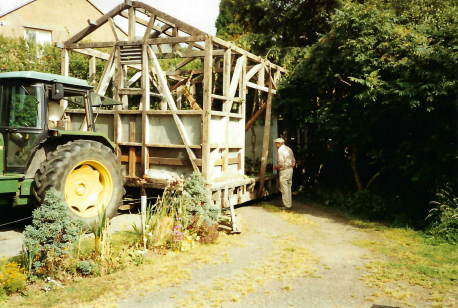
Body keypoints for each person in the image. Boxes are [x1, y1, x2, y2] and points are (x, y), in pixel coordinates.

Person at [273, 138, 296, 209]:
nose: (275, 145)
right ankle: (289, 204)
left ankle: (286, 205)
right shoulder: (288, 149)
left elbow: (281, 163)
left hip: (284, 170)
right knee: (288, 187)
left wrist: (276, 166)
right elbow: (293, 160)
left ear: (280, 144)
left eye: (276, 143)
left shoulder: (280, 150)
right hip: (290, 169)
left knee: (284, 188)